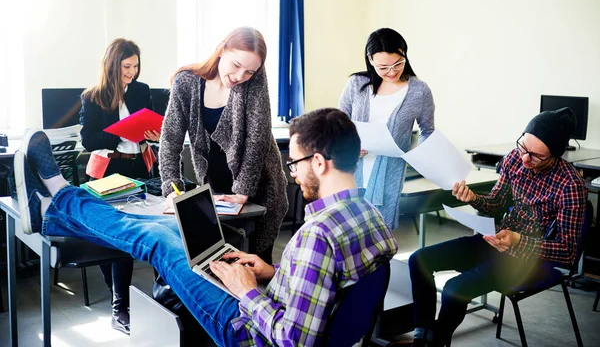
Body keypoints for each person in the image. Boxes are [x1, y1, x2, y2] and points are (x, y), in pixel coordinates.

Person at [15, 107, 398, 346]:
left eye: (294, 163)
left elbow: (293, 341)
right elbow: (332, 290)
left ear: (320, 163)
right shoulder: (373, 217)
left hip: (248, 332)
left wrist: (247, 291)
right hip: (282, 305)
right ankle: (56, 200)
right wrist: (274, 271)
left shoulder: (317, 236)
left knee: (155, 239)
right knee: (171, 234)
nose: (291, 172)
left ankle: (58, 199)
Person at [405, 107, 587, 347]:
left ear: (555, 156)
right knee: (418, 260)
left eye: (536, 156)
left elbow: (567, 252)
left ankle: (436, 343)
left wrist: (518, 240)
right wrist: (473, 198)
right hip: (496, 241)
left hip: (530, 259)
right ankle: (423, 336)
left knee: (453, 289)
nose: (524, 158)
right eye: (523, 147)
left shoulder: (570, 186)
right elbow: (496, 203)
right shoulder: (514, 158)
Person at [159, 26, 287, 264]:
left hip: (260, 187)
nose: (240, 76)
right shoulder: (186, 82)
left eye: (249, 71)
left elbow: (256, 140)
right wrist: (171, 188)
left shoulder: (253, 84)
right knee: (218, 262)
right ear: (221, 50)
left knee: (255, 264)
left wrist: (242, 192)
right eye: (236, 65)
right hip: (217, 189)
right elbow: (170, 139)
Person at [79, 38, 161, 334]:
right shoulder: (94, 96)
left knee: (150, 229)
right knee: (115, 240)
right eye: (127, 66)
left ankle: (160, 298)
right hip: (109, 169)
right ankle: (120, 306)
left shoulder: (142, 90)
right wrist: (118, 134)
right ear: (113, 65)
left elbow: (149, 130)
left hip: (139, 166)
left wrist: (149, 134)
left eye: (136, 66)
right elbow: (88, 140)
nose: (132, 72)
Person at [339, 28, 435, 229]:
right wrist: (348, 147)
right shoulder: (357, 84)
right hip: (351, 170)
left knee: (379, 238)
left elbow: (428, 131)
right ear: (370, 60)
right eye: (383, 67)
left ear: (405, 55)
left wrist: (420, 152)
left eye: (398, 64)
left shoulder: (419, 90)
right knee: (347, 238)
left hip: (390, 174)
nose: (391, 72)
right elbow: (338, 123)